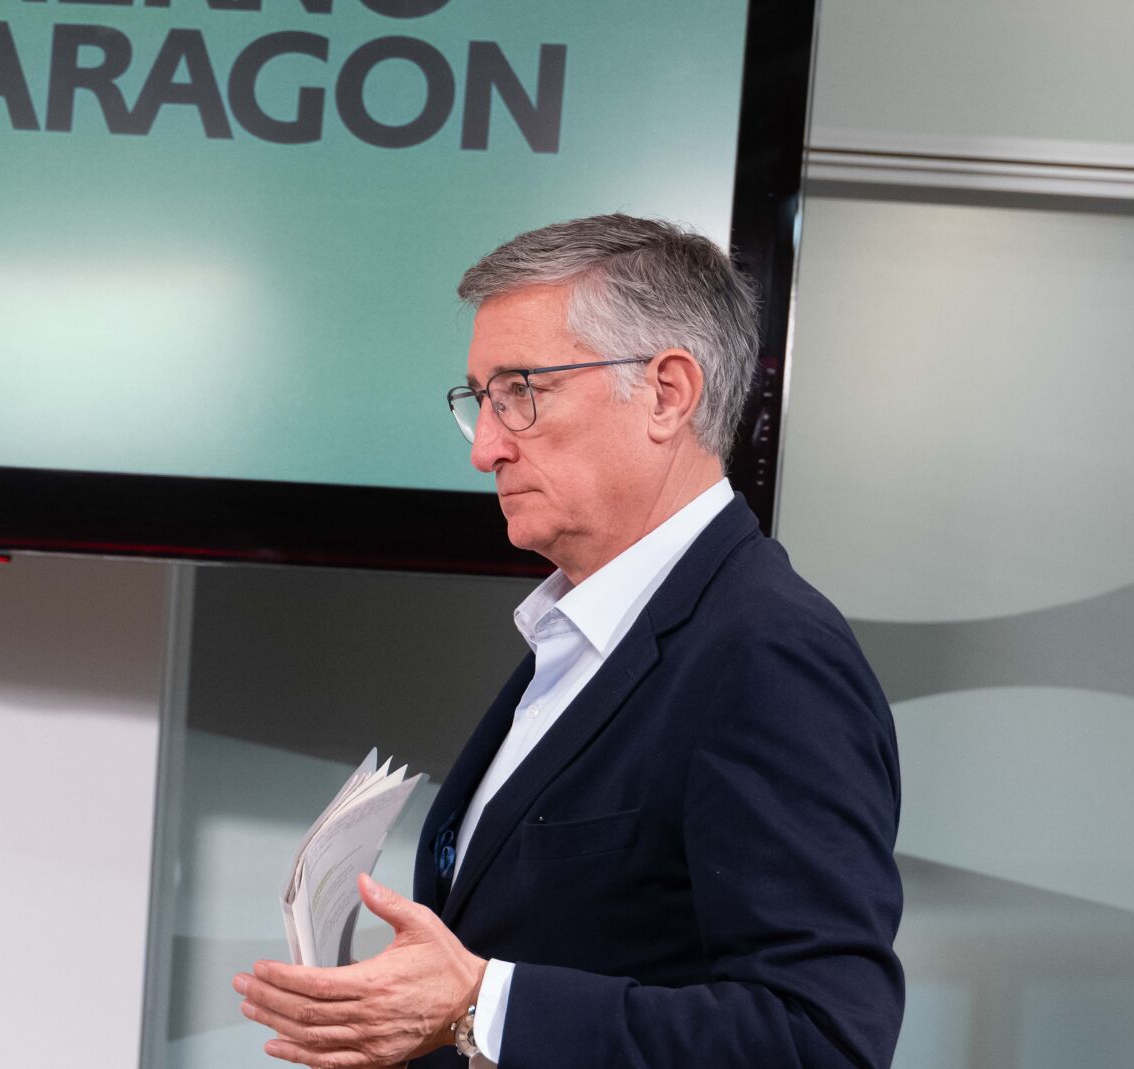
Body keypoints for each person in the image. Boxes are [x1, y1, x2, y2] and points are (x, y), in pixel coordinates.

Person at [232, 214, 904, 1068]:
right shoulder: (583, 631)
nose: (485, 448)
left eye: (521, 392)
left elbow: (820, 1040)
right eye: (480, 400)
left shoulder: (770, 654)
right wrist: (404, 1023)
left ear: (667, 393)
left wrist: (477, 1006)